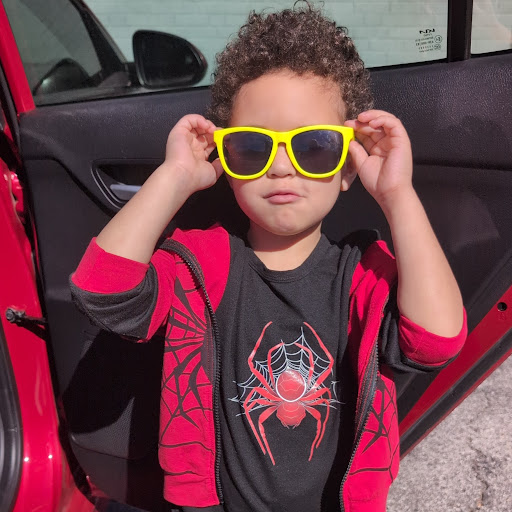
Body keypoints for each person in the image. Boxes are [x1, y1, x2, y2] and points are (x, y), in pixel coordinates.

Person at [70, 3, 467, 511]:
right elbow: (102, 291)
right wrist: (174, 178)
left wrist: (398, 196)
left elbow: (435, 342)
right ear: (227, 159)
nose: (280, 167)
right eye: (253, 148)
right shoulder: (198, 267)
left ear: (348, 166)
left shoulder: (362, 274)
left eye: (314, 147)